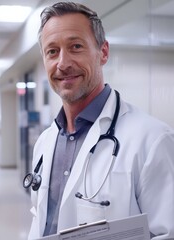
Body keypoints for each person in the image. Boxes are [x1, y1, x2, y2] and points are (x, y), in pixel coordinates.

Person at [25, 2, 174, 239]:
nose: (63, 63)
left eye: (75, 46)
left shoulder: (152, 140)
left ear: (103, 52)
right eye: (52, 51)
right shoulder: (45, 142)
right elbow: (43, 219)